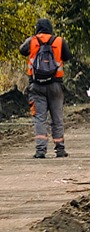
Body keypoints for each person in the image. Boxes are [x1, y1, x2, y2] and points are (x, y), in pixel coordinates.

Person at [17, 18, 68, 158]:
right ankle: (60, 149)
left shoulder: (32, 41)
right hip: (56, 85)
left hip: (36, 86)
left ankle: (40, 150)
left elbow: (22, 50)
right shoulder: (59, 41)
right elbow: (67, 56)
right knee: (57, 118)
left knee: (40, 118)